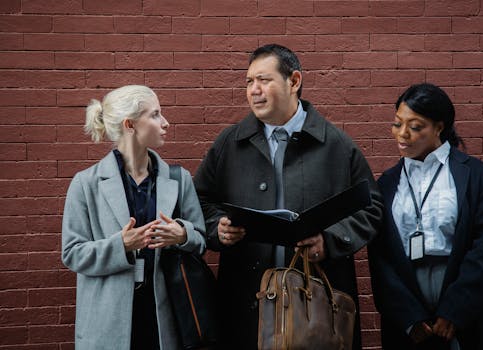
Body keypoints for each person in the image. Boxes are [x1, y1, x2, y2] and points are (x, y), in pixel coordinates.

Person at [193, 44, 383, 349]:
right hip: (246, 304)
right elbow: (199, 202)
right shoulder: (229, 144)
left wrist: (330, 240)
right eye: (248, 82)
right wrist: (218, 228)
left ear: (294, 81)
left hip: (315, 308)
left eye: (263, 80)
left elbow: (371, 208)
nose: (254, 90)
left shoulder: (336, 144)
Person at [61, 85, 206, 350]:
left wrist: (183, 234)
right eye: (155, 115)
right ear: (130, 124)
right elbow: (72, 253)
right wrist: (122, 246)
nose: (165, 122)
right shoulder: (85, 184)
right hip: (108, 322)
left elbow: (201, 239)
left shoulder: (179, 179)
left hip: (166, 318)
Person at [368, 83, 483, 350]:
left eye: (416, 126)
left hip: (463, 296)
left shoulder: (477, 177)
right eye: (397, 124)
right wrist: (408, 318)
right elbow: (380, 257)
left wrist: (456, 311)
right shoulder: (386, 184)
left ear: (439, 127)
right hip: (409, 303)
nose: (402, 134)